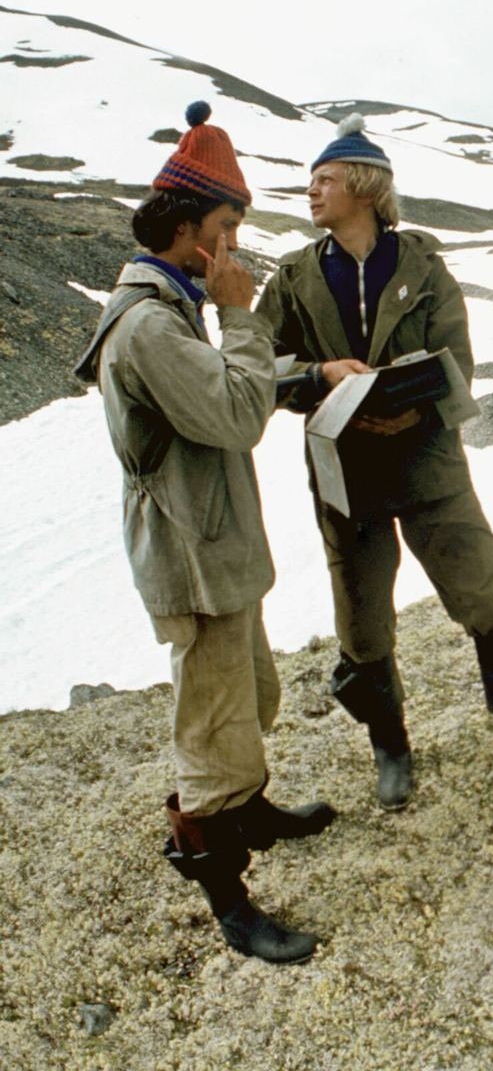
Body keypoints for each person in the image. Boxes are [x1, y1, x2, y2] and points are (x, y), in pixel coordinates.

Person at [256, 114, 493, 809]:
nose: (311, 193)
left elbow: (458, 361)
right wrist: (318, 373)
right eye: (311, 181)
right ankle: (391, 747)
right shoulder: (293, 276)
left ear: (362, 186)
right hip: (345, 475)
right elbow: (257, 363)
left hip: (429, 467)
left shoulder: (425, 268)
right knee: (362, 625)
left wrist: (418, 409)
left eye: (323, 180)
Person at [74, 102, 334, 965]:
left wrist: (302, 372)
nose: (235, 247)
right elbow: (229, 412)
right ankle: (228, 894)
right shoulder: (150, 322)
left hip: (214, 543)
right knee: (211, 727)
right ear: (188, 230)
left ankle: (250, 806)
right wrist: (244, 318)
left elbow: (219, 388)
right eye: (227, 227)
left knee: (246, 695)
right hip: (191, 551)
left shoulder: (169, 305)